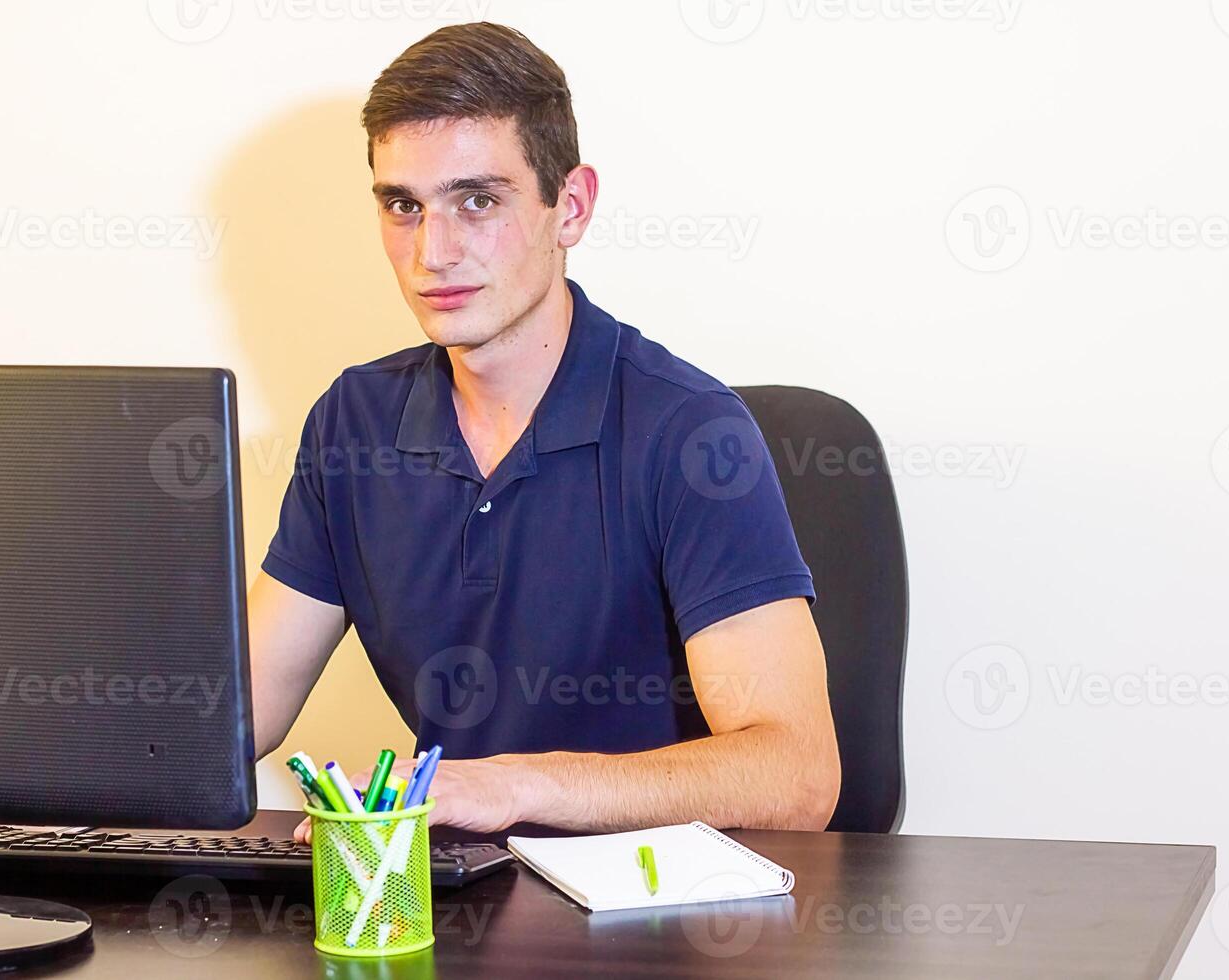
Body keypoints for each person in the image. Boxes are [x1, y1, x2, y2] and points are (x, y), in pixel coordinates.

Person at [247, 22, 841, 841]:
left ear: (572, 206)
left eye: (478, 201)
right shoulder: (353, 422)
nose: (433, 252)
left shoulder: (690, 432)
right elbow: (238, 715)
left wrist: (515, 786)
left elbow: (798, 777)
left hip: (659, 922)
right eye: (403, 206)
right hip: (453, 908)